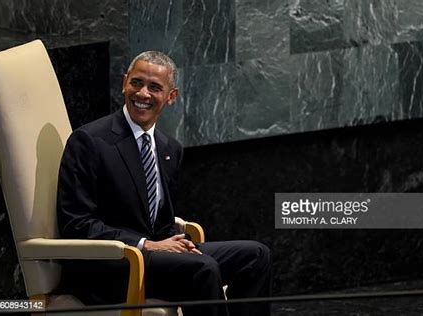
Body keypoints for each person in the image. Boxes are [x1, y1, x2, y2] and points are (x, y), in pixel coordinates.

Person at [56, 51, 272, 316]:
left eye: (155, 87)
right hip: (112, 266)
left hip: (159, 257)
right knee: (202, 269)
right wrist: (147, 244)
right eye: (136, 83)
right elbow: (76, 223)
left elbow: (162, 223)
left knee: (256, 256)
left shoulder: (170, 148)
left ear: (171, 97)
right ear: (124, 82)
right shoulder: (89, 141)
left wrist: (180, 244)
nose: (143, 94)